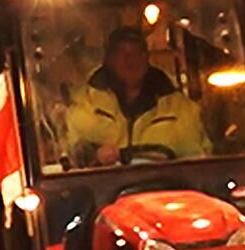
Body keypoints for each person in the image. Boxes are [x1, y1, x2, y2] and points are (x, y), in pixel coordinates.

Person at [61, 27, 210, 166]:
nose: (130, 60)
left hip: (168, 190)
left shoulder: (181, 109)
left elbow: (201, 161)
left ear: (147, 58)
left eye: (138, 53)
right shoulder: (83, 106)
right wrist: (93, 155)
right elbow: (69, 152)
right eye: (122, 53)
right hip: (103, 191)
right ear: (109, 59)